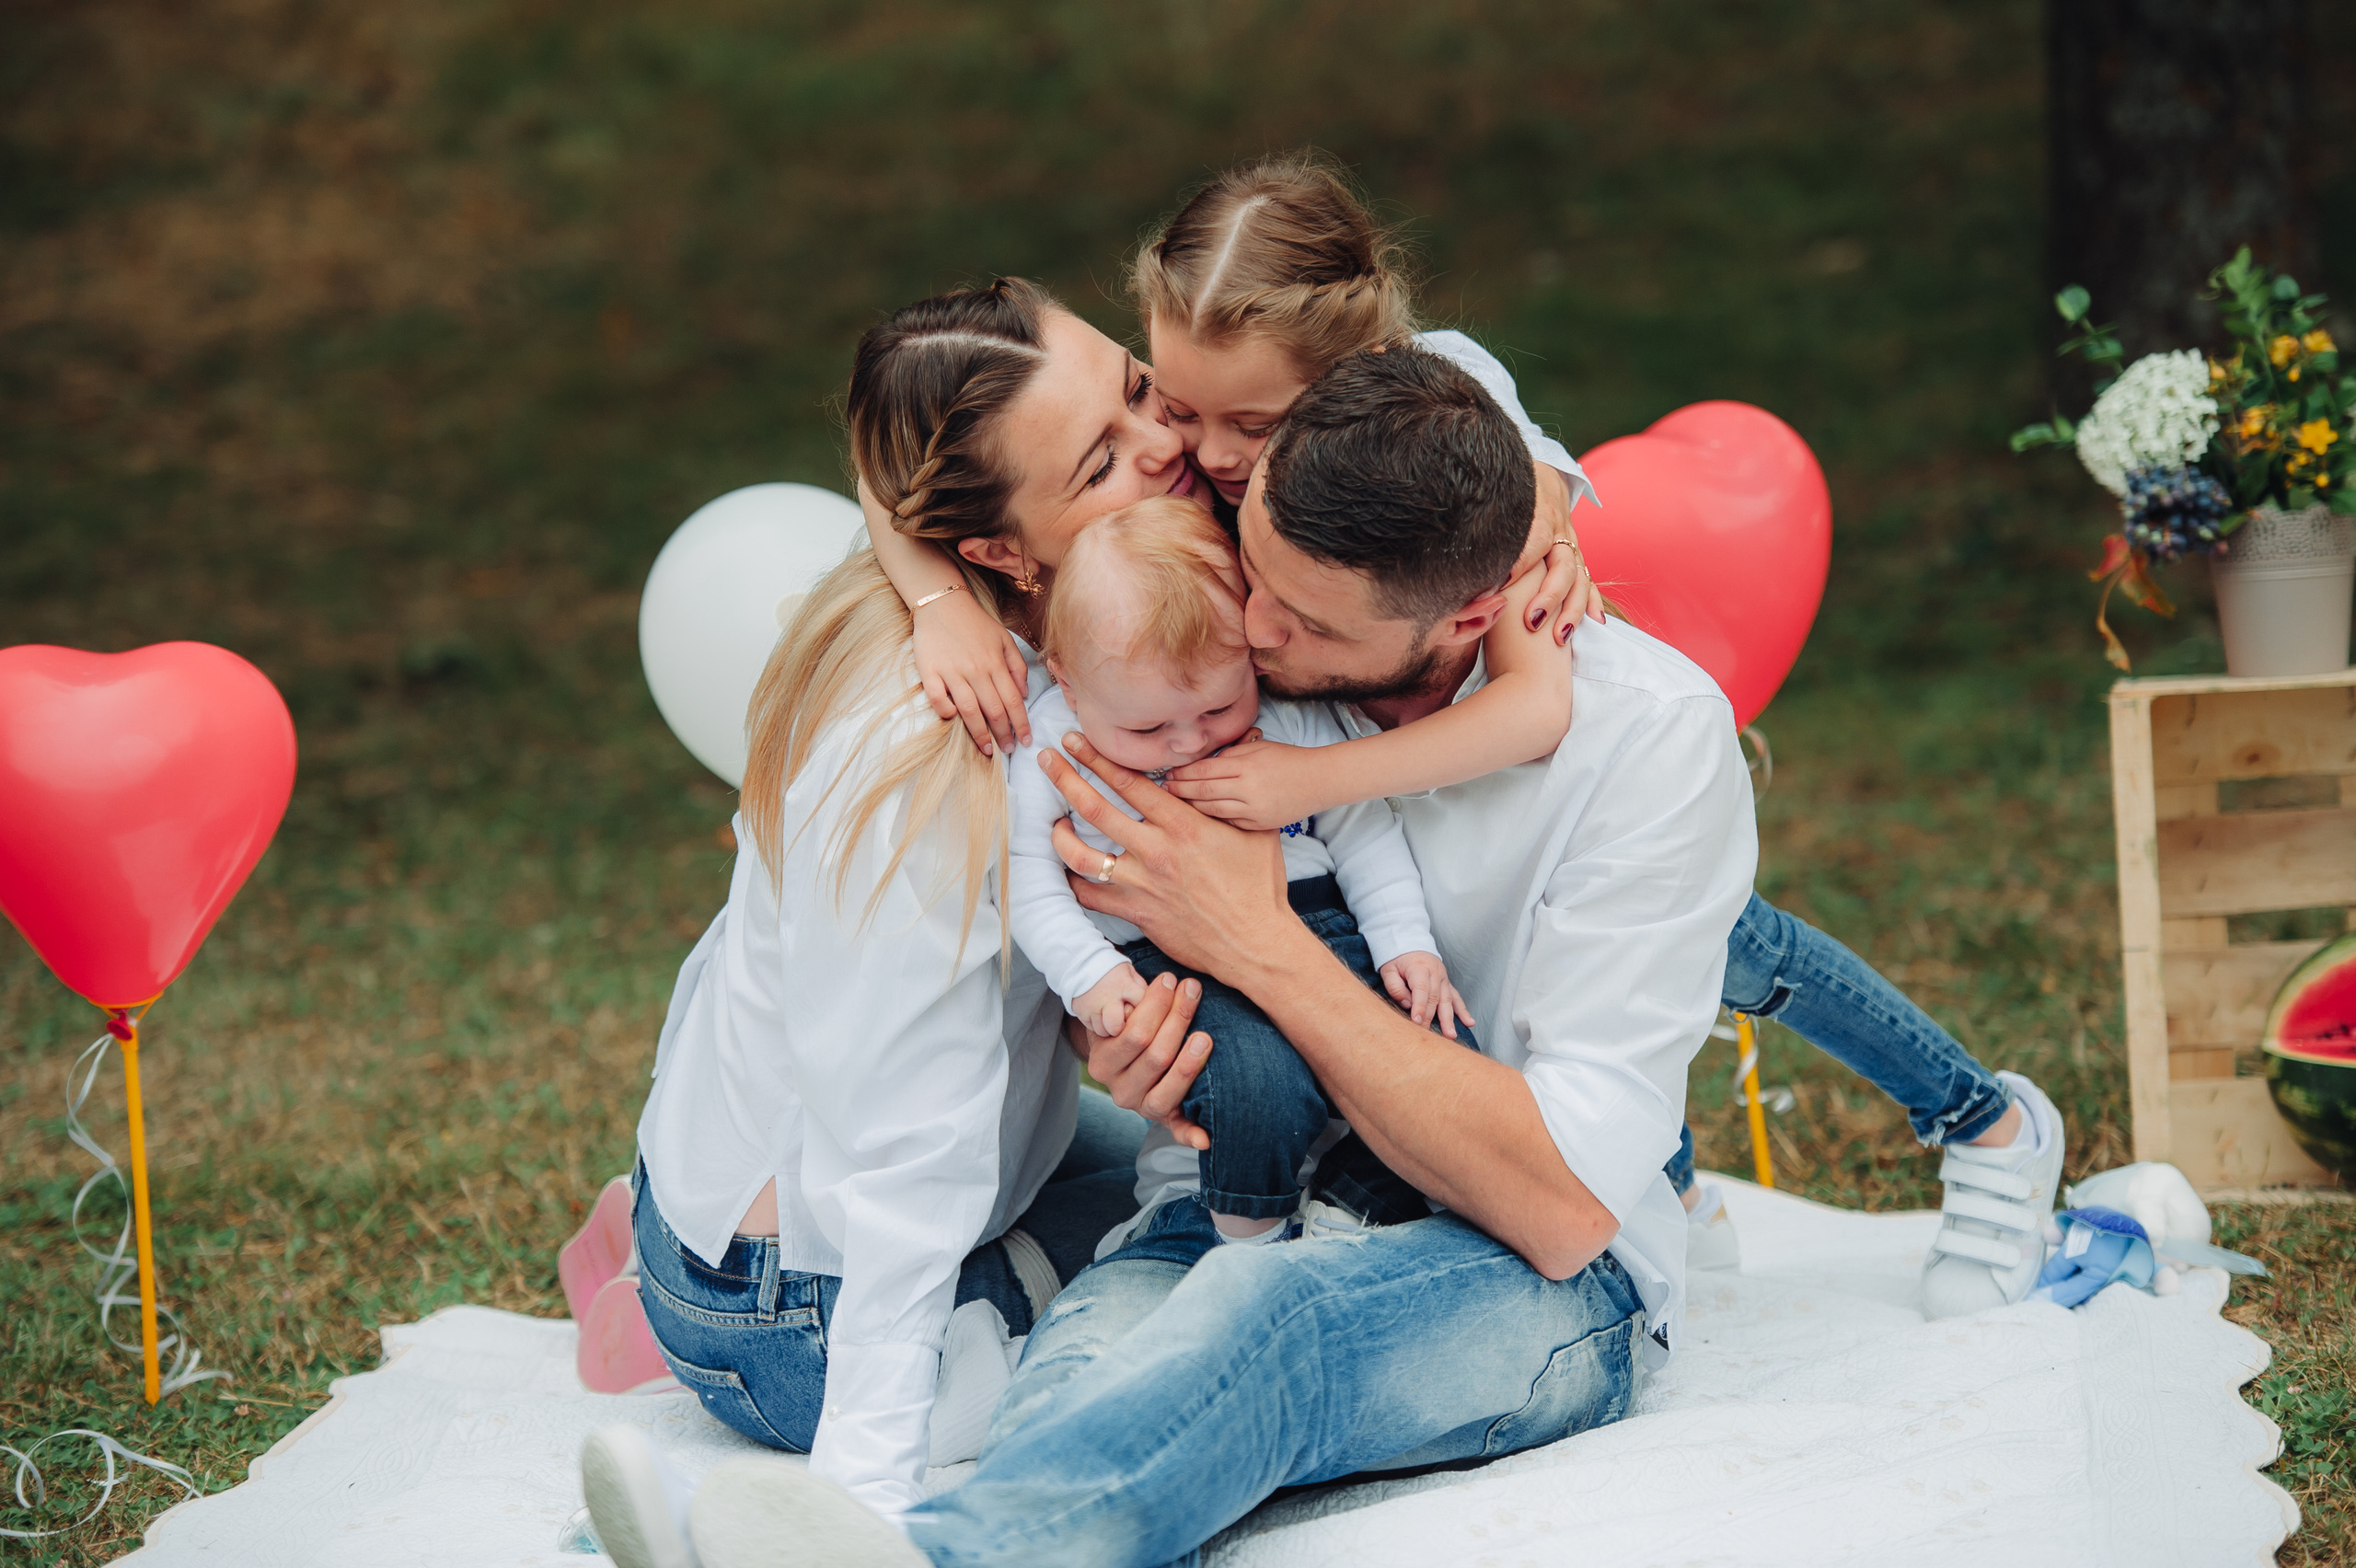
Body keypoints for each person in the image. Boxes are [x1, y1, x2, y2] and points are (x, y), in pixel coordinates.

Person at [877, 151, 2068, 1314]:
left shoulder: (1443, 423)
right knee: (1538, 973)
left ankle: (1980, 1119)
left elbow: (1538, 707)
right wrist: (932, 593)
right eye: (1171, 400)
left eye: (1248, 420)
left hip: (1509, 769)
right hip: (1401, 827)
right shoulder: (1171, 469)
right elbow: (898, 469)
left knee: (1713, 947)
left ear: (1357, 384)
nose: (1202, 453)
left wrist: (1315, 774)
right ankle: (1671, 1180)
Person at [672, 340, 1758, 1568]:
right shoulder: (1271, 586)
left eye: (1300, 620)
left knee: (1261, 1315)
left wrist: (1258, 943)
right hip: (1247, 1173)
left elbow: (1562, 1210)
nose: (1248, 625)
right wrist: (1124, 1033)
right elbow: (931, 417)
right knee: (1096, 1359)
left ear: (1469, 612)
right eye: (1254, 574)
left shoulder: (1650, 747)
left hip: (1528, 1267)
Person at [578, 278, 1212, 1568]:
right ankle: (722, 1506)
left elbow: (899, 456)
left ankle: (636, 1257)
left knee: (1204, 1157)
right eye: (1102, 463)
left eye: (1138, 391)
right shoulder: (947, 748)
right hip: (797, 1306)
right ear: (1000, 551)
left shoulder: (1045, 594)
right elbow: (910, 1143)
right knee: (1214, 1246)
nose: (1167, 448)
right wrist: (860, 1485)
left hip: (764, 1166)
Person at [1011, 494, 1482, 1246]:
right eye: (1147, 726)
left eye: (1220, 705)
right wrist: (1087, 974)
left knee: (1444, 1053)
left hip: (1326, 922)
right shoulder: (1052, 744)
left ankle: (1354, 1201)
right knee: (1253, 1084)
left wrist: (1404, 943)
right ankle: (1247, 1234)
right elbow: (1024, 876)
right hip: (1170, 959)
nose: (1189, 742)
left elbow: (1362, 830)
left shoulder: (1286, 718)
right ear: (1068, 682)